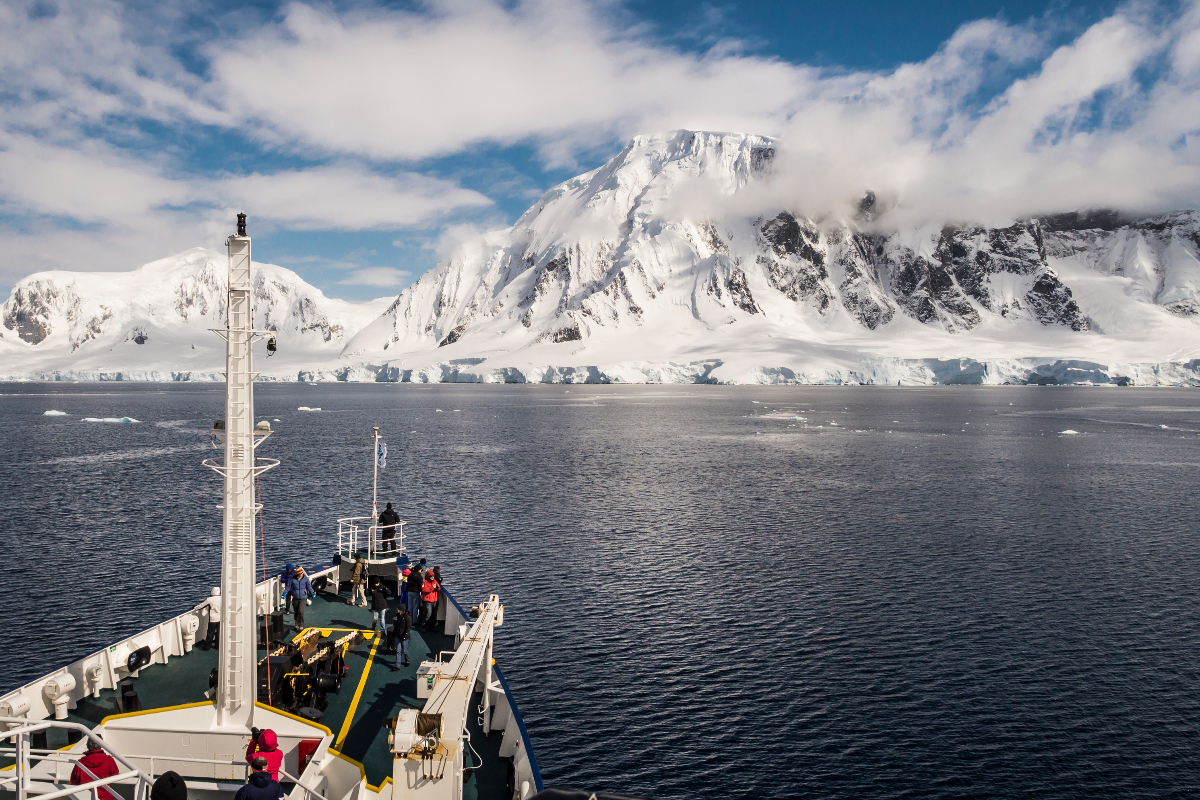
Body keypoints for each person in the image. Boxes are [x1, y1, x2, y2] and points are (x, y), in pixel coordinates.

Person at [391, 603, 412, 670]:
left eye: (398, 609)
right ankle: (397, 665)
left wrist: (405, 636)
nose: (397, 610)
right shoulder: (398, 616)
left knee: (405, 650)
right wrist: (394, 633)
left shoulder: (407, 618)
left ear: (401, 610)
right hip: (398, 635)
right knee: (398, 651)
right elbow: (397, 626)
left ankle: (408, 660)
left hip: (404, 637)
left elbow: (408, 627)